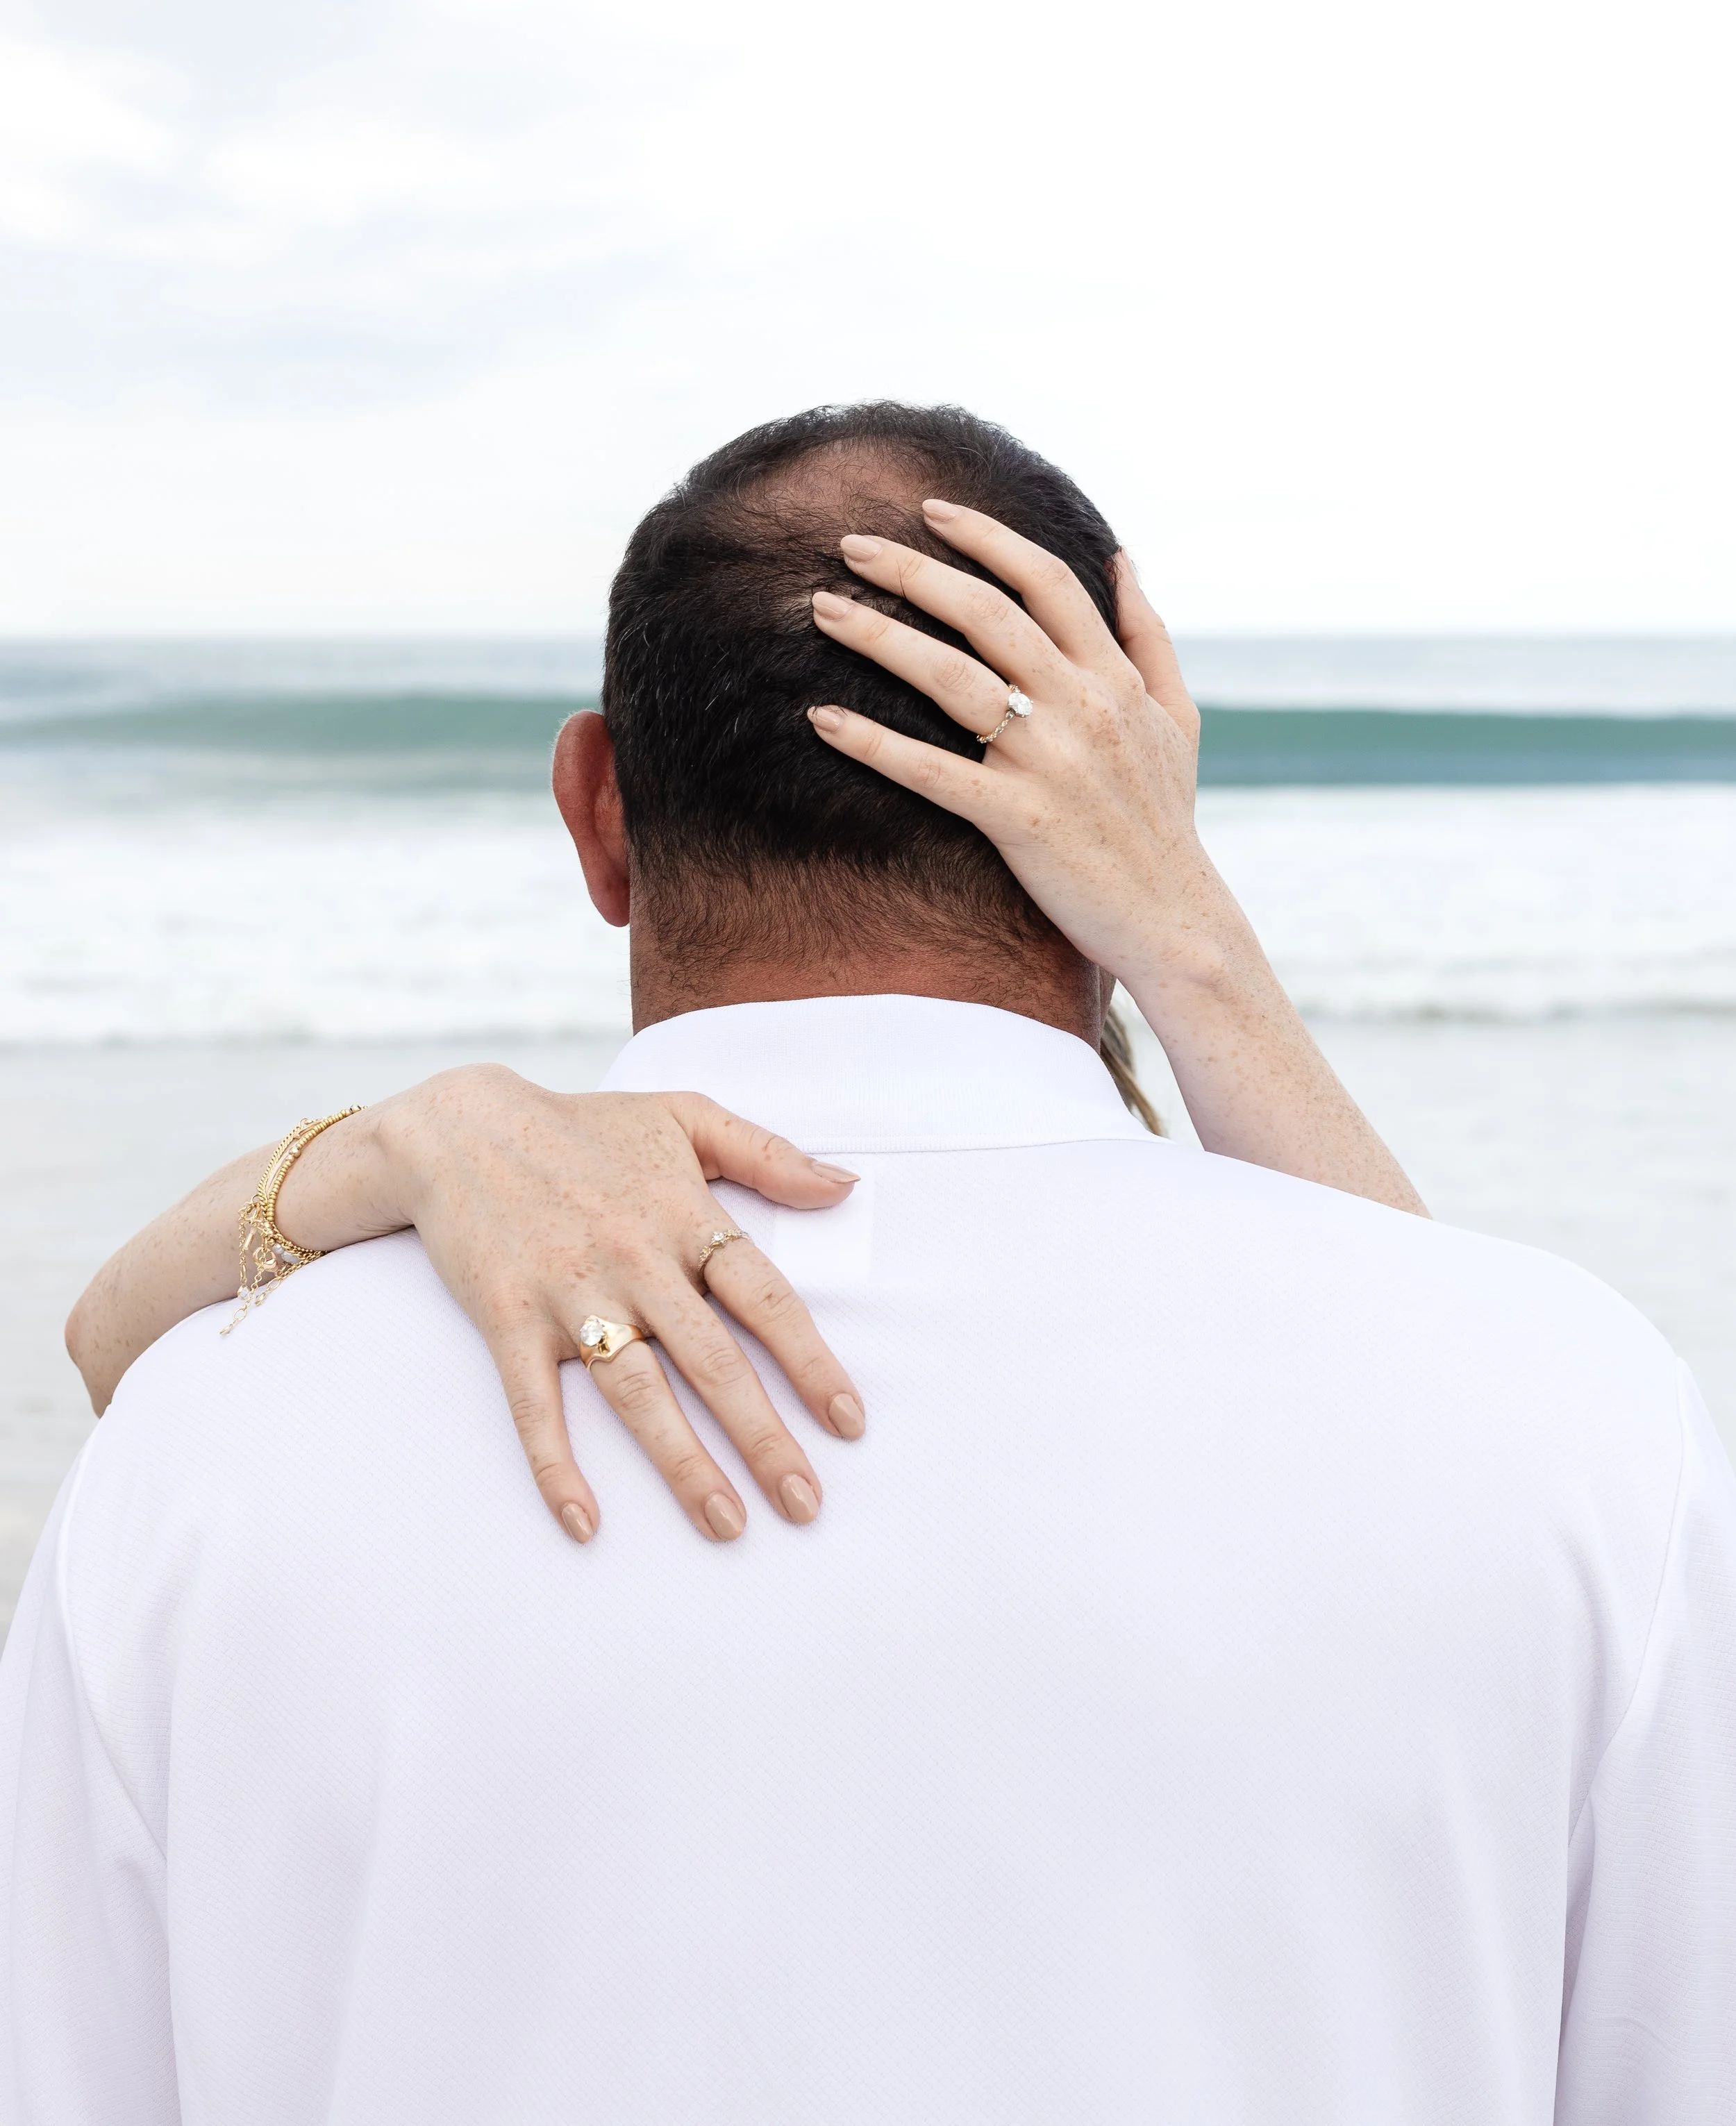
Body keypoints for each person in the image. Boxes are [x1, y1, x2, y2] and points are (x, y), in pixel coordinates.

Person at [4, 403, 1735, 2123]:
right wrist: (1187, 933)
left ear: (595, 813)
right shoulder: (1567, 1423)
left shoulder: (205, 1453)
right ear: (1132, 814)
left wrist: (388, 1143)